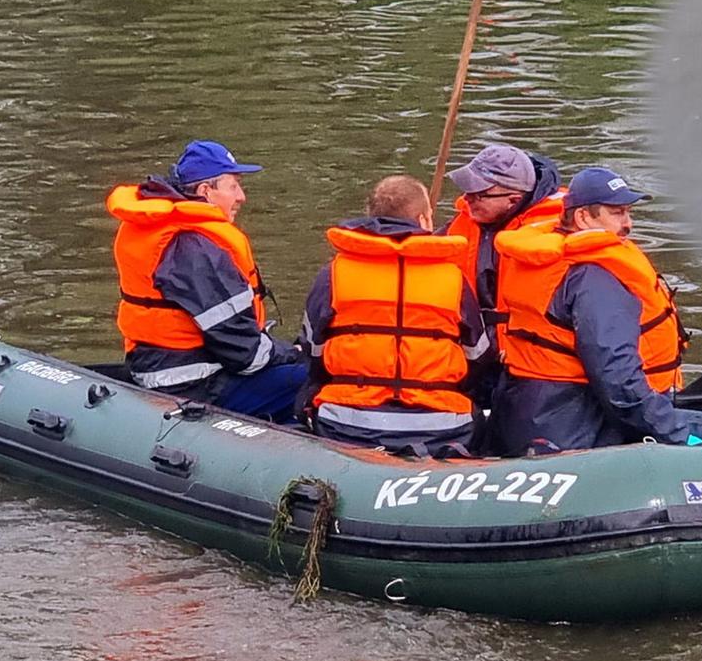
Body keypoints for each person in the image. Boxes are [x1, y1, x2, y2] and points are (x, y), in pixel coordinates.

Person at [490, 166, 702, 455]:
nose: (627, 224)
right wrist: (677, 434)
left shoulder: (539, 259)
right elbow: (618, 380)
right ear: (583, 217)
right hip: (576, 427)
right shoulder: (593, 277)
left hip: (527, 413)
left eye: (628, 212)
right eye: (616, 213)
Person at [106, 139, 305, 422]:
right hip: (194, 385)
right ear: (205, 191)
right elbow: (244, 354)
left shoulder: (163, 230)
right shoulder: (195, 247)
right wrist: (292, 353)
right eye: (233, 185)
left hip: (157, 367)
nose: (241, 196)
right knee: (313, 378)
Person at [298, 175, 490, 454]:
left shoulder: (334, 273)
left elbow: (313, 351)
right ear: (424, 220)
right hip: (442, 428)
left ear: (370, 218)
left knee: (303, 395)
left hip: (346, 424)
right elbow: (477, 356)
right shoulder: (453, 278)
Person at [442, 144, 565, 348]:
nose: (467, 199)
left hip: (526, 354)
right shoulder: (464, 222)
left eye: (478, 194)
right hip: (474, 346)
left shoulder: (557, 232)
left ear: (513, 200)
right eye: (467, 191)